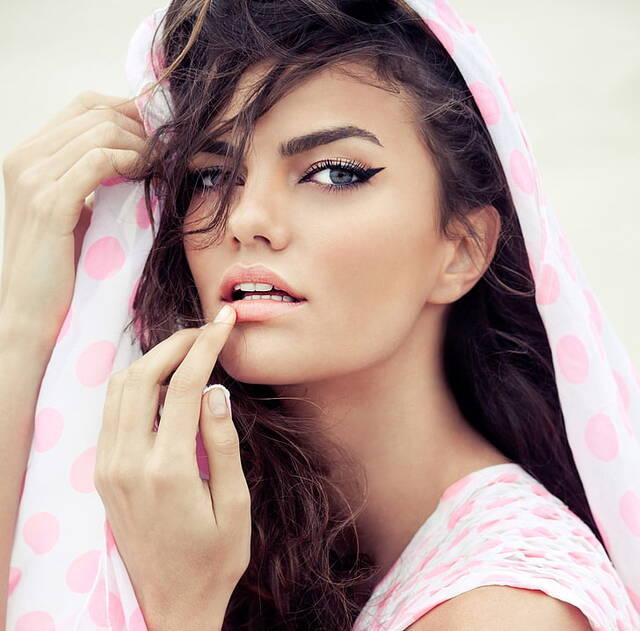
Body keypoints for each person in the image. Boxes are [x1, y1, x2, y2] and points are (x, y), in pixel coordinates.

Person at [2, 1, 639, 629]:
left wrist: (181, 606)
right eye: (213, 175)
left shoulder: (508, 610)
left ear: (462, 247)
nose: (246, 219)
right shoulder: (224, 526)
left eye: (332, 173)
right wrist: (23, 326)